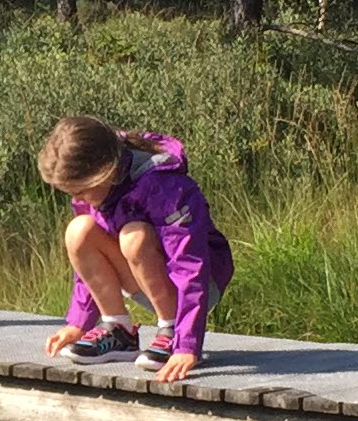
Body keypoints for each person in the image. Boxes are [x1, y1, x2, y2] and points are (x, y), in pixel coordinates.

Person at [36, 117, 233, 384]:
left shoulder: (164, 186)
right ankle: (118, 330)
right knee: (79, 231)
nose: (77, 198)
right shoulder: (96, 189)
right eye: (71, 192)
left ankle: (171, 330)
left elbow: (190, 267)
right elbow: (89, 260)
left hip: (201, 285)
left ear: (104, 172)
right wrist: (79, 322)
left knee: (134, 237)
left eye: (80, 190)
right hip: (147, 279)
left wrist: (187, 345)